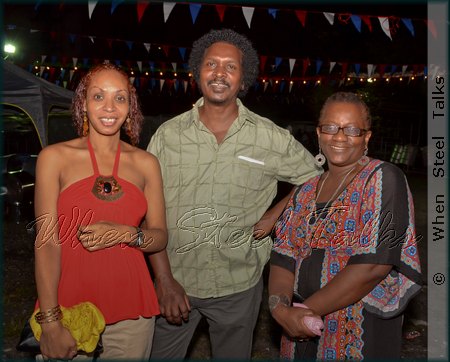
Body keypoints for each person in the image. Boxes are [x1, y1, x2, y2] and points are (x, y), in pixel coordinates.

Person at [146, 28, 322, 359]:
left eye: (231, 66)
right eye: (211, 64)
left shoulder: (270, 138)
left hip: (238, 284)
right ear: (197, 72)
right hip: (176, 281)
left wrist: (276, 212)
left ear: (243, 79)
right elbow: (148, 211)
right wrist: (164, 280)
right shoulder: (168, 136)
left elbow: (315, 180)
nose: (220, 73)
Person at [268, 91, 422, 360]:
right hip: (301, 327)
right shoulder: (304, 191)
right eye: (330, 127)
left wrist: (302, 312)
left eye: (351, 129)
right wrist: (280, 311)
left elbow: (374, 264)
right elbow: (283, 257)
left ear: (367, 137)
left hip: (359, 330)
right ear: (318, 133)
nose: (339, 137)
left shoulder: (382, 178)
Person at [33, 63, 167, 360]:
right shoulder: (53, 158)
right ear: (82, 103)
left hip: (133, 313)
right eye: (98, 96)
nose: (109, 107)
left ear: (130, 107)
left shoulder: (146, 164)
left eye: (120, 98)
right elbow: (46, 244)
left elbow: (159, 238)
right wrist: (51, 321)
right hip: (68, 311)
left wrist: (128, 233)